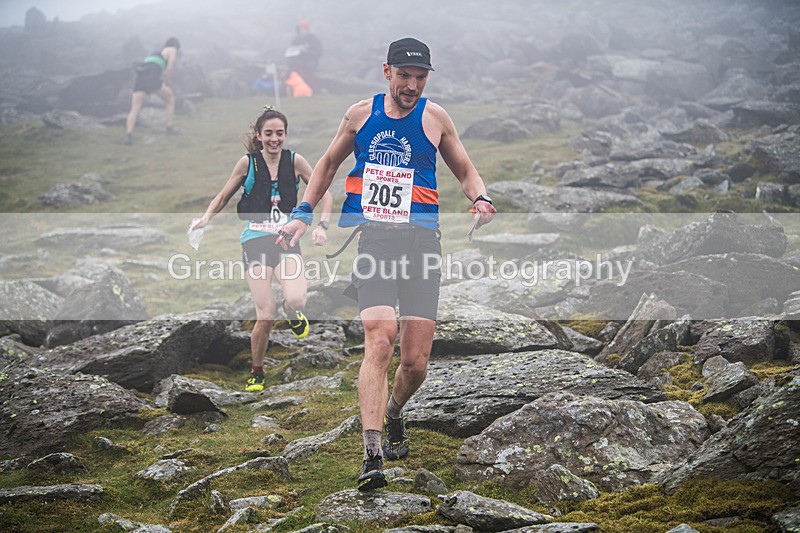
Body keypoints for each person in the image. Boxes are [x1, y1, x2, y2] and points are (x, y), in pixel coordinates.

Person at [280, 37, 497, 491]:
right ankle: (372, 454)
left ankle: (395, 411)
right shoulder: (360, 115)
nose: (412, 86)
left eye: (420, 78)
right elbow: (325, 164)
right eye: (404, 77)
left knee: (415, 363)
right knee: (380, 340)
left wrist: (479, 197)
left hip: (422, 245)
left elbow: (465, 169)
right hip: (376, 242)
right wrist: (303, 211)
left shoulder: (436, 118)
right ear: (386, 72)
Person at [190, 106, 333, 392]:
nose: (274, 139)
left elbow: (324, 192)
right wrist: (205, 218)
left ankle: (291, 310)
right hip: (254, 241)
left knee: (298, 300)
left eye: (279, 133)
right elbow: (223, 196)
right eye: (268, 133)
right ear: (259, 135)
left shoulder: (296, 161)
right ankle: (257, 370)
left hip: (286, 239)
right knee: (265, 314)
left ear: (286, 135)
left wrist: (323, 226)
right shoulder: (247, 164)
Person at [124, 37, 181, 145]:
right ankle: (169, 128)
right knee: (170, 99)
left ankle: (128, 135)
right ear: (175, 46)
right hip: (152, 78)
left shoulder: (155, 54)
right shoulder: (172, 49)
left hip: (140, 78)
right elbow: (170, 67)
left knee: (135, 108)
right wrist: (166, 82)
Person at [285, 19, 322, 91]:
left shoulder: (314, 40)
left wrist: (305, 51)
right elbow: (291, 52)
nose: (302, 31)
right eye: (301, 29)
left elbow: (317, 54)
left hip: (310, 61)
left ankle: (312, 89)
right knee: (291, 69)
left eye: (305, 29)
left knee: (308, 69)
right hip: (297, 62)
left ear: (308, 30)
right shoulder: (296, 39)